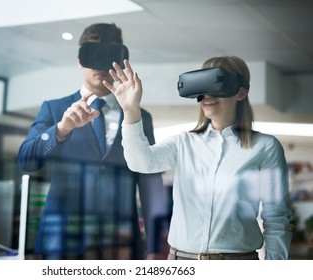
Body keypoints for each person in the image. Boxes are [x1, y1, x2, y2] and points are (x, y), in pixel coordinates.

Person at [103, 56, 293, 260]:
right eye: (202, 85)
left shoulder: (265, 147)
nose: (207, 95)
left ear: (241, 92)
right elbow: (141, 162)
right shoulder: (183, 143)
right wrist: (131, 110)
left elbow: (276, 218)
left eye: (216, 83)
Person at [17, 23, 168, 260]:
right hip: (63, 240)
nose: (100, 65)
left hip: (121, 244)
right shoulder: (54, 108)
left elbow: (150, 182)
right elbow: (26, 160)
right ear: (79, 59)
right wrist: (61, 128)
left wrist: (156, 246)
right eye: (93, 55)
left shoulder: (139, 116)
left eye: (108, 56)